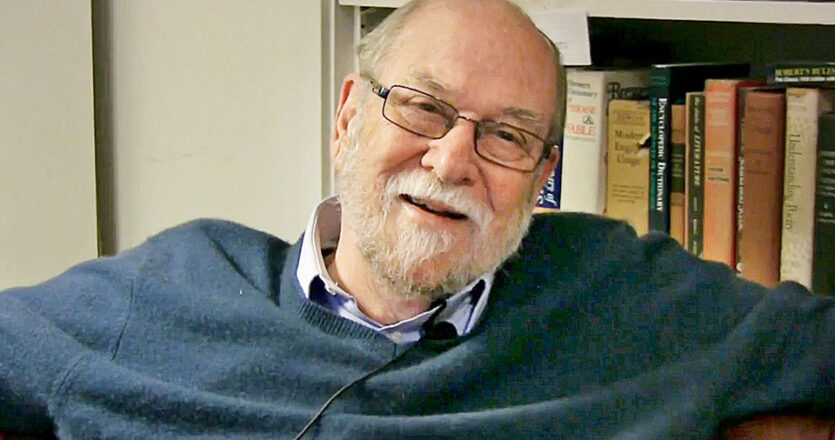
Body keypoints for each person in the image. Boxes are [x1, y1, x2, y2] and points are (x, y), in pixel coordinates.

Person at [1, 0, 833, 439]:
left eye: (506, 135)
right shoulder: (169, 290)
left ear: (542, 178)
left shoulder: (622, 295)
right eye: (423, 107)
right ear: (346, 119)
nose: (451, 159)